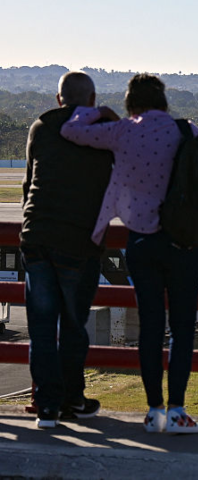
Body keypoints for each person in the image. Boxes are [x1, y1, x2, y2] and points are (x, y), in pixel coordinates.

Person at [60, 73, 198, 434]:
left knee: (150, 329)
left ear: (131, 103)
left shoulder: (123, 131)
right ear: (163, 101)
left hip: (142, 243)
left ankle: (153, 412)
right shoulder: (187, 131)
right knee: (181, 330)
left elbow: (71, 130)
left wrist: (98, 111)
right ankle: (177, 411)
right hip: (184, 243)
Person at [21, 71, 113, 429]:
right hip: (79, 239)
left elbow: (29, 184)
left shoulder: (41, 127)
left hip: (37, 235)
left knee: (41, 330)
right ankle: (73, 400)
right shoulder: (102, 130)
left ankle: (46, 407)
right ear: (91, 99)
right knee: (74, 326)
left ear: (59, 99)